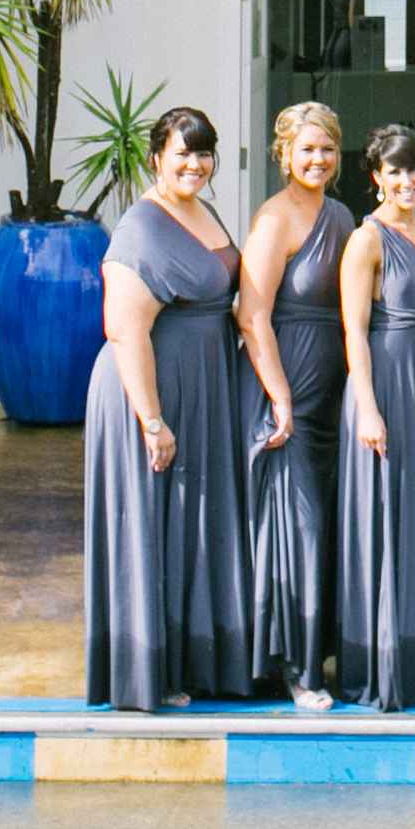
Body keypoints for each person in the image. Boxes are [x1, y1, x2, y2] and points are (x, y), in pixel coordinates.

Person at [81, 105, 256, 710]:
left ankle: (194, 662)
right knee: (152, 524)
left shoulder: (201, 210)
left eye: (204, 153)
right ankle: (146, 673)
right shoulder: (140, 227)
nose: (195, 164)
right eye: (183, 153)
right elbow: (124, 330)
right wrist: (152, 421)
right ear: (154, 157)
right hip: (146, 391)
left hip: (201, 385)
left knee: (191, 526)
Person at [335, 122, 415, 713]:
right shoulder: (368, 240)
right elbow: (353, 330)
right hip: (384, 380)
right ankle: (383, 662)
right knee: (386, 517)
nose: (406, 181)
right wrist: (367, 408)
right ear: (375, 179)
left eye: (413, 169)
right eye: (394, 172)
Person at [239, 101, 354, 709]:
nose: (318, 159)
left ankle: (328, 649)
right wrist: (279, 396)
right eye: (307, 149)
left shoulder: (341, 214)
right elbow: (251, 313)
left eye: (328, 149)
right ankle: (299, 668)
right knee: (300, 531)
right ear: (284, 154)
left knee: (332, 525)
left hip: (337, 398)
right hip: (288, 396)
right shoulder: (274, 220)